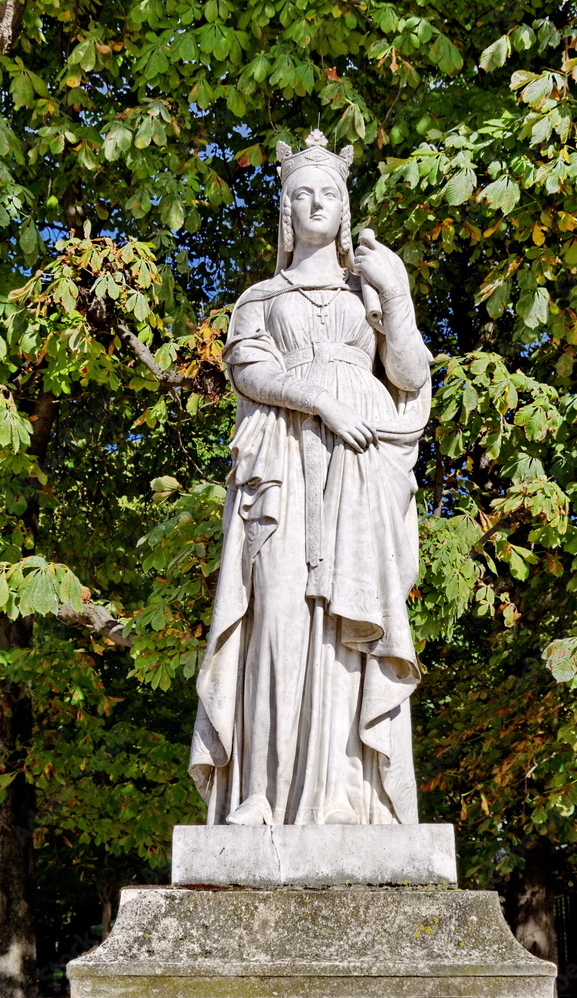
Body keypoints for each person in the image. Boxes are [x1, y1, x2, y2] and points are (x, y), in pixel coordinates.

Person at [189, 130, 432, 825]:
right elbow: (248, 370)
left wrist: (399, 293)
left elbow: (410, 376)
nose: (316, 202)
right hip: (282, 463)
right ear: (286, 211)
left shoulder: (370, 288)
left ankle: (344, 796)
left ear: (344, 206)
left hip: (362, 469)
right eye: (303, 193)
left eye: (329, 191)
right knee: (278, 619)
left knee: (345, 627)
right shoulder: (260, 296)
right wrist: (319, 399)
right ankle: (261, 794)